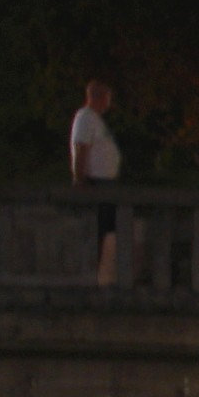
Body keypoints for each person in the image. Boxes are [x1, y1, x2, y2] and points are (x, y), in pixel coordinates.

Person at [69, 80, 122, 285]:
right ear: (98, 97)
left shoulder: (95, 120)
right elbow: (81, 148)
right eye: (107, 98)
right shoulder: (85, 118)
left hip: (106, 182)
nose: (108, 103)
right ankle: (88, 276)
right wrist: (79, 179)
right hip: (96, 183)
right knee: (95, 230)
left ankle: (96, 275)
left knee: (104, 230)